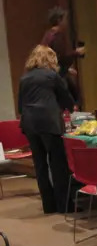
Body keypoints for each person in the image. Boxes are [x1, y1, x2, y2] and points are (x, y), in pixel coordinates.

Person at [17, 45, 74, 214]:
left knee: (40, 165)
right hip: (49, 122)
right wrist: (70, 108)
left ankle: (48, 206)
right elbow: (65, 98)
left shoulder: (24, 79)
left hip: (30, 124)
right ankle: (65, 206)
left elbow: (20, 106)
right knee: (58, 164)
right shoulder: (51, 76)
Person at [40, 6, 84, 104]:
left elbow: (53, 57)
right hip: (57, 75)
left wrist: (67, 69)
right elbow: (62, 56)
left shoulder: (47, 35)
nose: (66, 22)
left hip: (50, 73)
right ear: (59, 20)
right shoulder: (57, 35)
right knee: (71, 98)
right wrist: (76, 52)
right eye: (65, 19)